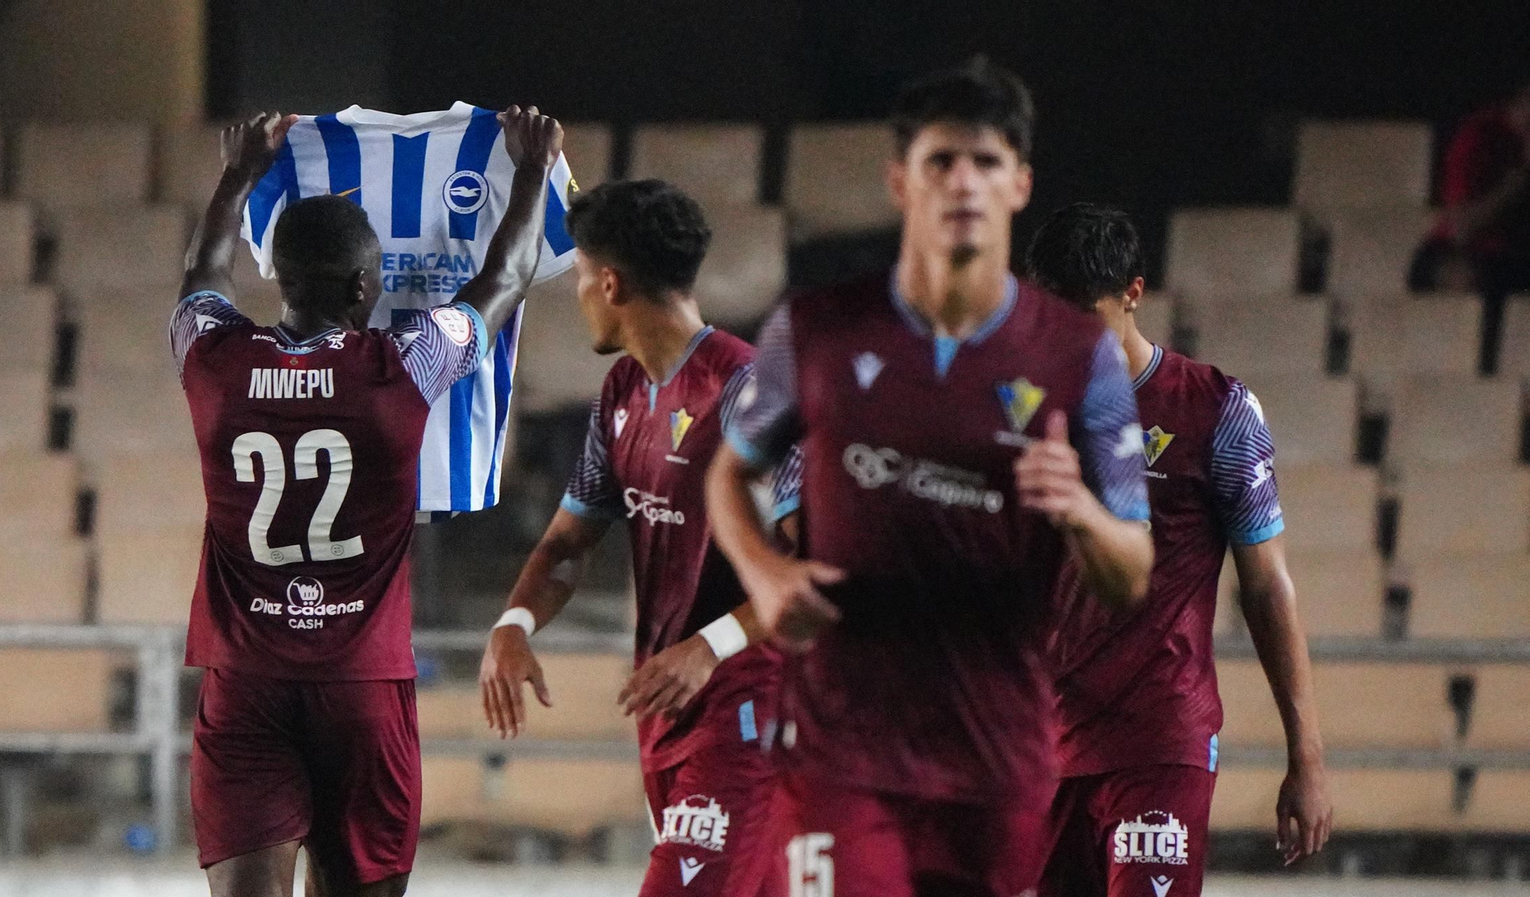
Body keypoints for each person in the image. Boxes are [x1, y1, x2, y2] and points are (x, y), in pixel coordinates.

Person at [704, 64, 1155, 897]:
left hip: (999, 752)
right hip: (843, 749)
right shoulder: (815, 330)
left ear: (1019, 183)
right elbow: (729, 475)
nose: (963, 182)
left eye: (985, 162)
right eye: (941, 161)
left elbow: (1132, 570)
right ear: (899, 181)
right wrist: (765, 574)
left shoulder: (1078, 356)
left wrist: (1082, 511)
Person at [172, 106, 561, 897]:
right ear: (362, 285)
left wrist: (241, 172)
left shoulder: (212, 362)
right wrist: (531, 169)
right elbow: (506, 279)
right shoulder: (398, 369)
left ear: (280, 276)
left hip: (245, 682)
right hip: (362, 687)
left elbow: (204, 274)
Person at [479, 179, 800, 897]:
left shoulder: (751, 391)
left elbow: (812, 560)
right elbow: (567, 542)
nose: (580, 297)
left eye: (583, 279)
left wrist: (710, 644)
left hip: (750, 702)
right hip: (667, 711)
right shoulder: (621, 392)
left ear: (612, 282)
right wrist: (514, 621)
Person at [1026, 202, 1333, 897]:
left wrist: (1306, 754)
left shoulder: (1215, 410)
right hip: (1046, 748)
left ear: (1134, 293)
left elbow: (1267, 587)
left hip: (1160, 737)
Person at [1409, 81, 1530, 371]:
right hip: (1455, 251)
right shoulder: (1481, 136)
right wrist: (1520, 180)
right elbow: (1463, 227)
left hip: (1510, 258)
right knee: (1466, 280)